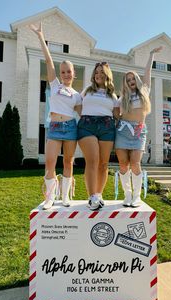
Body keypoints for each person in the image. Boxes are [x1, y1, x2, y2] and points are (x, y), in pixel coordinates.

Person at [30, 23, 82, 209]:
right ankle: (50, 197)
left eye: (69, 72)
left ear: (73, 74)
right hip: (54, 127)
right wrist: (40, 37)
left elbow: (84, 113)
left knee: (68, 162)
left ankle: (66, 196)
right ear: (60, 74)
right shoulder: (55, 85)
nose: (66, 74)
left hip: (70, 128)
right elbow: (48, 61)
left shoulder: (77, 95)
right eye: (63, 72)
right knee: (50, 162)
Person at [115, 47, 163, 207]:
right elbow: (115, 112)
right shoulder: (122, 97)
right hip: (122, 131)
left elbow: (148, 73)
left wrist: (151, 54)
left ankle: (136, 196)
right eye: (128, 80)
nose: (130, 82)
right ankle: (127, 195)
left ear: (137, 79)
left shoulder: (144, 91)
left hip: (138, 131)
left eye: (132, 79)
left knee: (135, 163)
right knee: (123, 164)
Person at [77, 62, 119, 210]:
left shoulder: (112, 95)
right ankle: (92, 196)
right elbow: (76, 105)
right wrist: (85, 117)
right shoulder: (87, 91)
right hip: (87, 126)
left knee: (103, 164)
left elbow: (117, 114)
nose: (98, 75)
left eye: (101, 72)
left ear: (107, 75)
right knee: (93, 160)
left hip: (107, 126)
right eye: (96, 72)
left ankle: (98, 195)